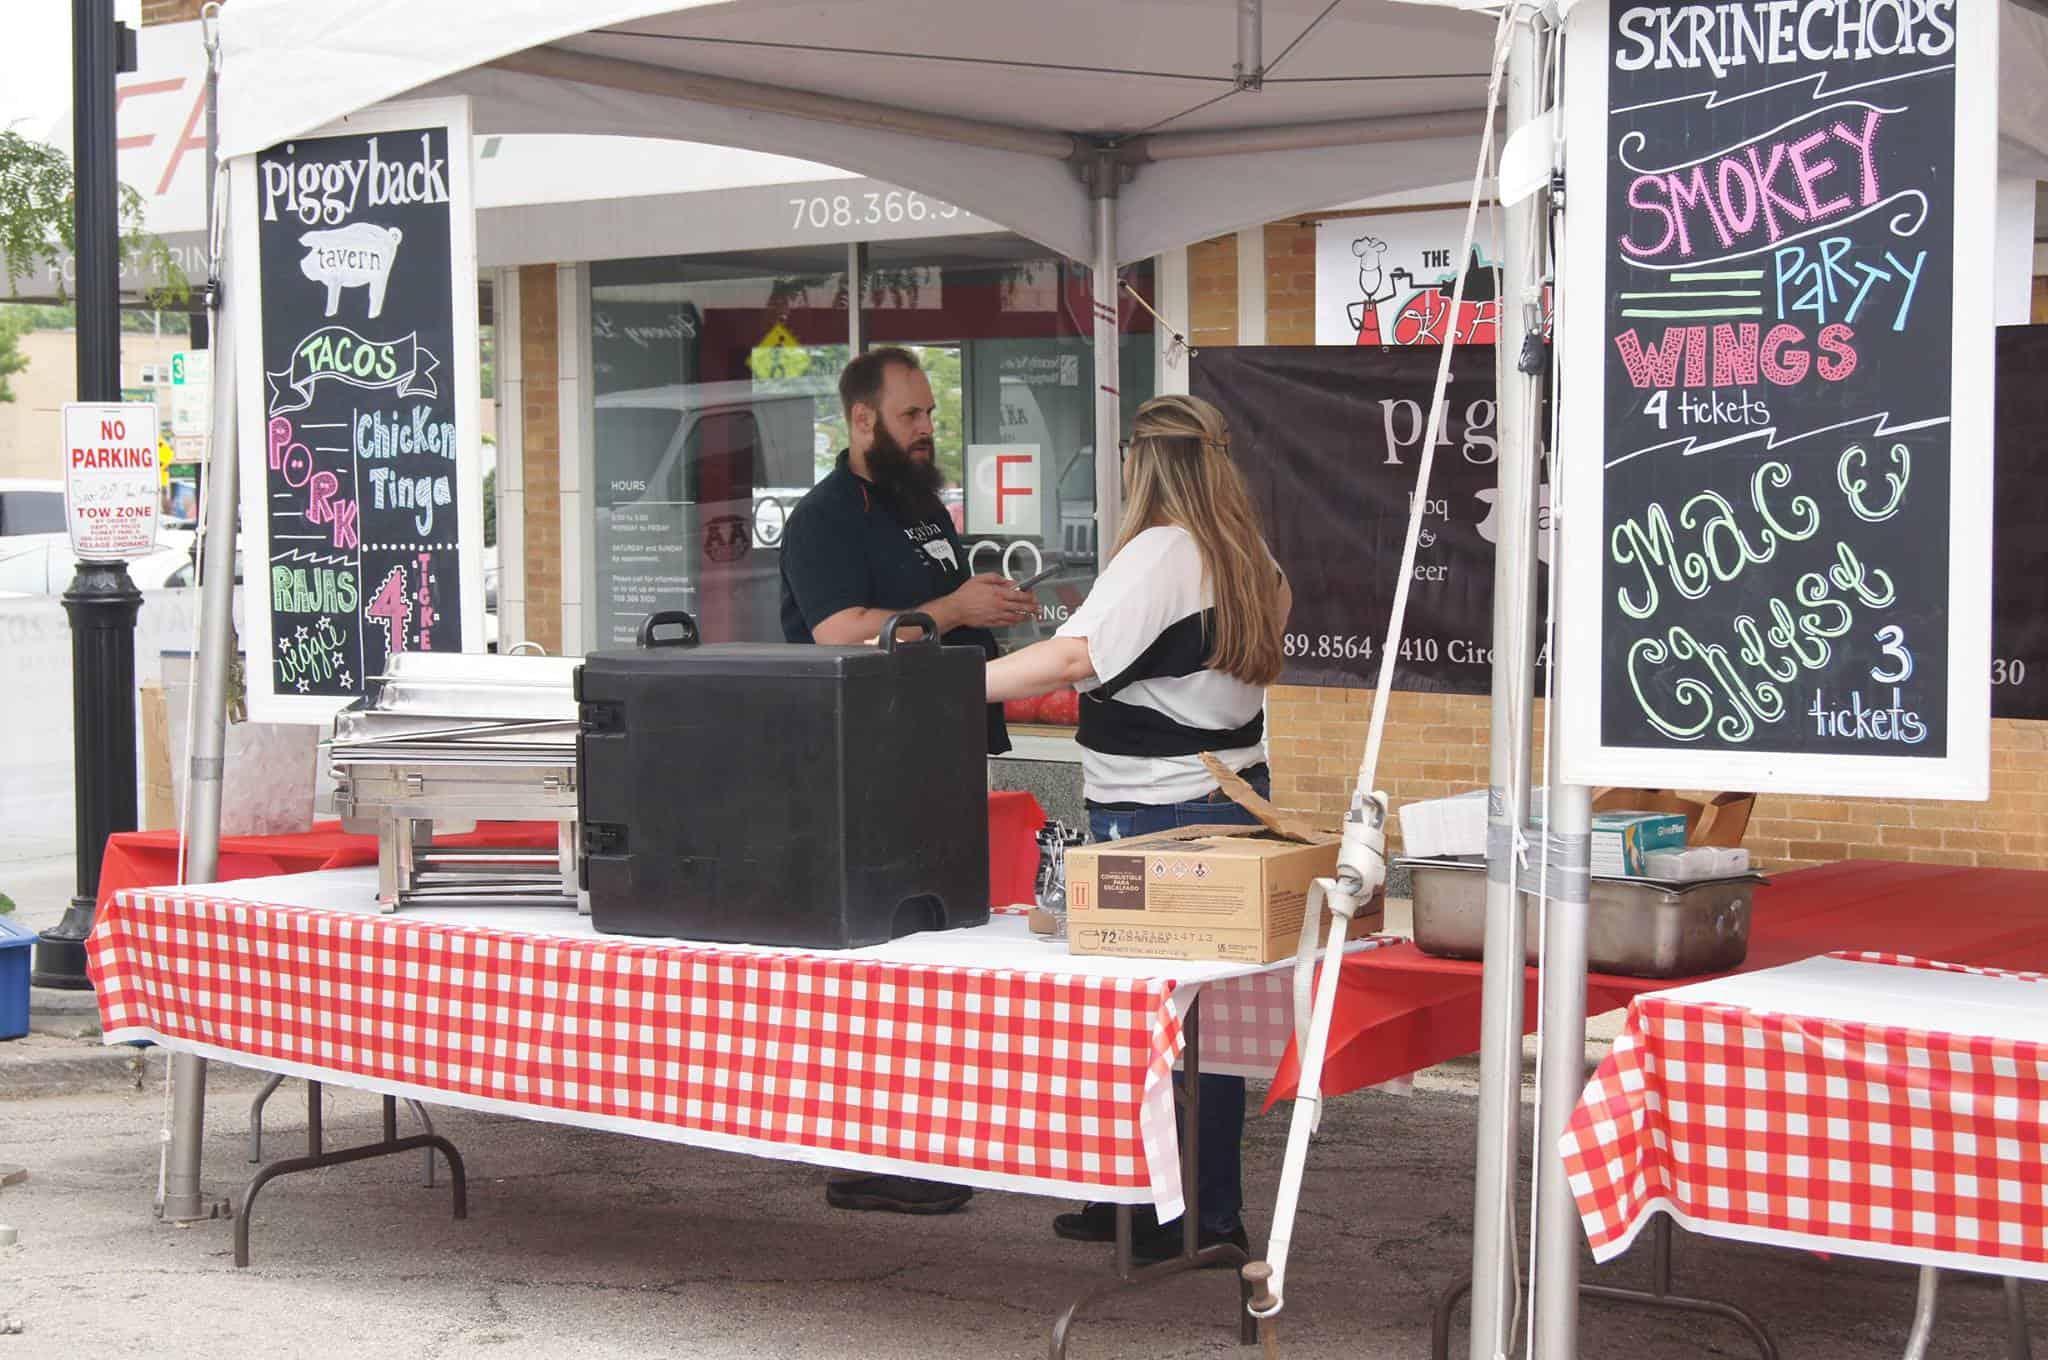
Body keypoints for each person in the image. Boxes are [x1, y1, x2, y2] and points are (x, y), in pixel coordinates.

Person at [984, 392, 1290, 1263]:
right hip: (1227, 803)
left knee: (1149, 1022)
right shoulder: (1251, 556)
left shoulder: (1162, 551)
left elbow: (1074, 656)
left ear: (1140, 462)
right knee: (1199, 1031)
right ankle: (1182, 1206)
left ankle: (1173, 1214)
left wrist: (943, 682)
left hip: (1156, 816)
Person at [779, 345, 1036, 1215]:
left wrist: (985, 605)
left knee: (942, 944)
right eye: (911, 415)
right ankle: (893, 1151)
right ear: (862, 421)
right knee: (891, 953)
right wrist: (956, 609)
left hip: (943, 748)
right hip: (870, 764)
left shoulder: (920, 505)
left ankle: (938, 1140)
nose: (928, 428)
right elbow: (837, 631)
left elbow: (936, 613)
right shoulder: (824, 519)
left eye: (930, 413)